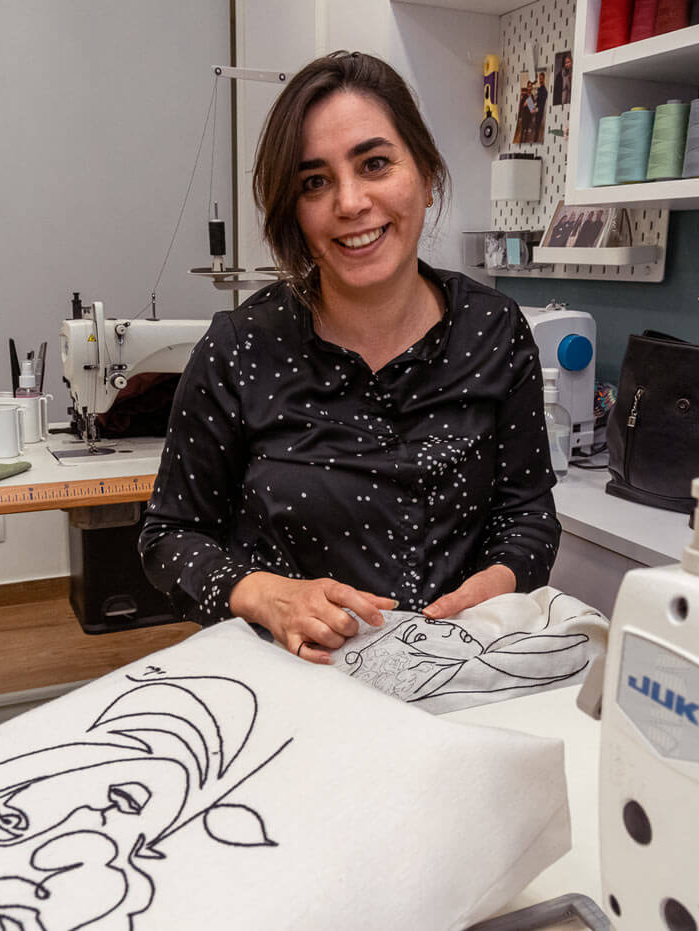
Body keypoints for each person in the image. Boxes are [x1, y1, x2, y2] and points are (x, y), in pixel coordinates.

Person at [139, 51, 561, 664]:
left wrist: (500, 581)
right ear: (295, 213)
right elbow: (169, 536)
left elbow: (527, 515)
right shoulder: (242, 346)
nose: (350, 201)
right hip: (287, 688)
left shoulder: (493, 330)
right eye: (315, 182)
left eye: (375, 164)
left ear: (427, 174)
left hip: (457, 675)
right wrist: (264, 595)